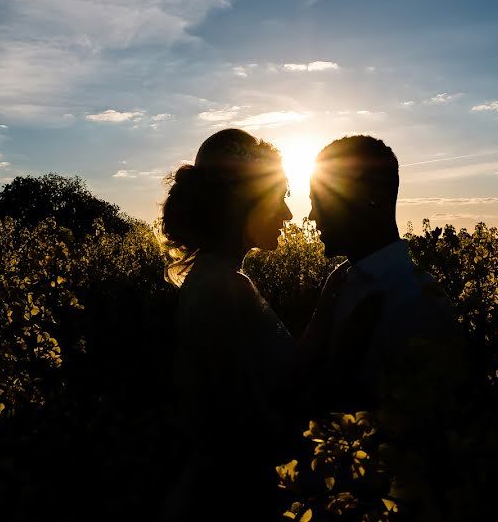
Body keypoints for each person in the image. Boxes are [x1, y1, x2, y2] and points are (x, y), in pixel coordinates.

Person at [157, 128, 294, 522]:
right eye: (280, 197)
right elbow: (246, 427)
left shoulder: (217, 278)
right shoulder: (223, 288)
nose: (287, 214)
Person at [294, 135, 457, 417]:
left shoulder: (414, 301)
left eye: (320, 200)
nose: (310, 216)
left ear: (368, 200)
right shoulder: (344, 283)